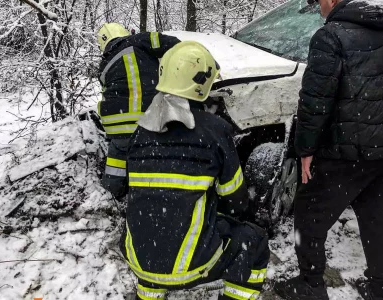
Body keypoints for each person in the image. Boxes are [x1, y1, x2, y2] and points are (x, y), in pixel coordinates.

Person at [119, 41, 270, 300]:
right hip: (191, 265)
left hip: (138, 258)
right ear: (202, 84)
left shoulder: (140, 131)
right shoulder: (215, 130)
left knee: (153, 229)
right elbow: (235, 199)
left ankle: (148, 293)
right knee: (254, 240)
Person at [274, 0, 383, 299]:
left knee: (309, 215)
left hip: (343, 154)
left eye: (319, 2)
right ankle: (380, 288)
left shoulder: (331, 36)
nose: (318, 8)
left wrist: (305, 150)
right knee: (380, 219)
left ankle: (310, 284)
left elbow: (316, 101)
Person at [96, 23, 180, 199]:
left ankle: (112, 193)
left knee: (118, 156)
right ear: (125, 33)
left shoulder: (103, 65)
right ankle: (153, 195)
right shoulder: (140, 40)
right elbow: (173, 44)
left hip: (115, 126)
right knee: (155, 157)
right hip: (145, 121)